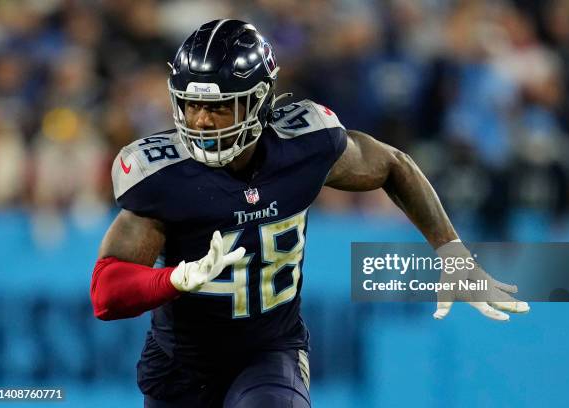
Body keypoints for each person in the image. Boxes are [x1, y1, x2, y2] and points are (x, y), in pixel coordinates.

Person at [90, 19, 529, 408]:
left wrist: (450, 250)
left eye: (220, 106)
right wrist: (175, 279)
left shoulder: (305, 146)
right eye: (192, 104)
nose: (201, 121)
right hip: (179, 364)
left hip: (268, 352)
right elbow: (106, 293)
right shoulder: (161, 175)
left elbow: (394, 165)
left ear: (260, 102)